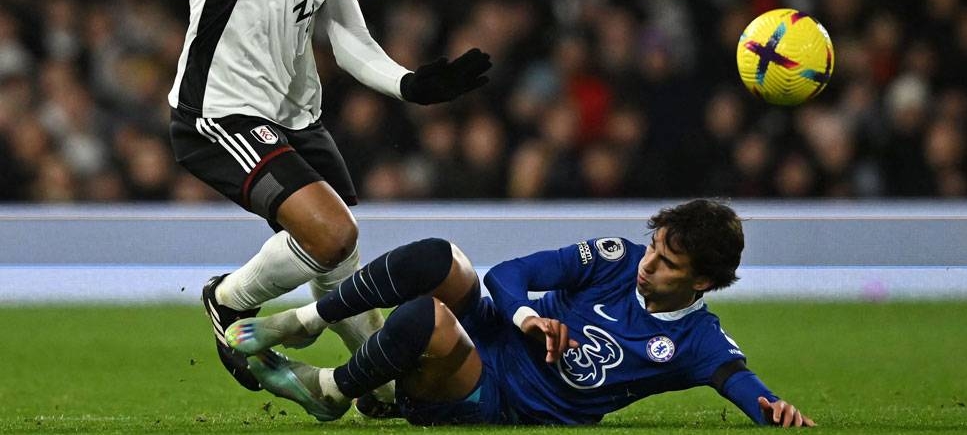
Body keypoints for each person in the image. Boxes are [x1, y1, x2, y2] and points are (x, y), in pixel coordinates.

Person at [166, 0, 489, 410]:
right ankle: (228, 299)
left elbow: (344, 33)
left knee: (338, 251)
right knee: (332, 235)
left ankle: (374, 381)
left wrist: (407, 83)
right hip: (223, 107)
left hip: (297, 117)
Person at [225, 199, 815, 427]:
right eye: (655, 246)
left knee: (425, 317)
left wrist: (774, 411)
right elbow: (509, 278)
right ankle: (309, 320)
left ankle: (333, 390)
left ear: (703, 282)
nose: (647, 263)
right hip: (496, 331)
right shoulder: (616, 258)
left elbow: (740, 382)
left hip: (496, 392)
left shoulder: (695, 341)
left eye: (667, 263)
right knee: (438, 257)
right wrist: (527, 319)